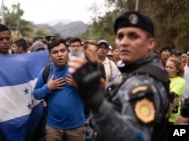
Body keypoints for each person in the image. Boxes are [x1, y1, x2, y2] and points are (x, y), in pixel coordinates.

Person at [68, 11, 170, 141]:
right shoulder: (136, 71)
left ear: (150, 43)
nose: (124, 42)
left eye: (133, 36)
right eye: (120, 36)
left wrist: (96, 100)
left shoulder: (143, 84)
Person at [33, 38, 86, 141]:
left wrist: (78, 84)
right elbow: (36, 94)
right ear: (50, 57)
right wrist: (48, 87)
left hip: (76, 128)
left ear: (68, 52)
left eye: (63, 51)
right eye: (55, 52)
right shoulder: (46, 71)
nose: (60, 54)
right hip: (53, 128)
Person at [165, 57, 186, 124]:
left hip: (173, 117)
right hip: (162, 115)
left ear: (177, 70)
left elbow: (172, 95)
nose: (168, 69)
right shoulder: (163, 78)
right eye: (166, 67)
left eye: (171, 68)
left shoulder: (181, 81)